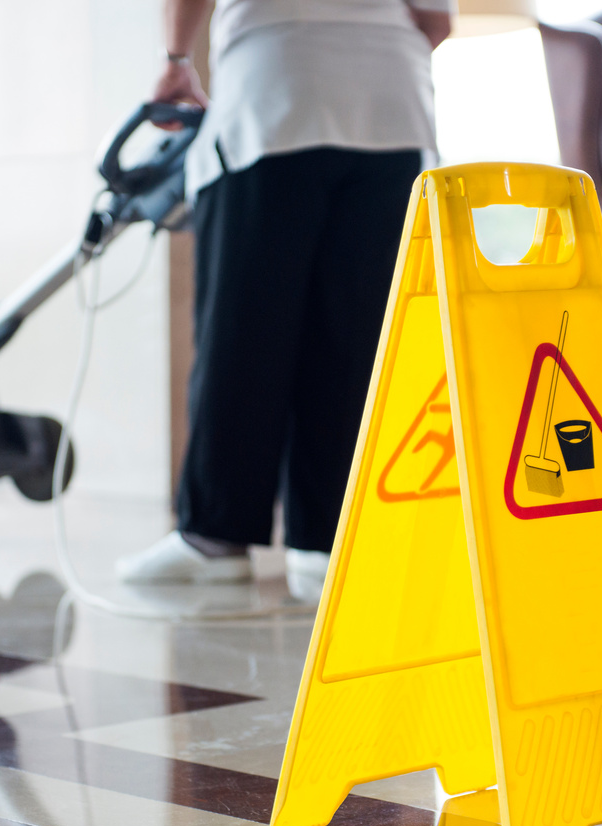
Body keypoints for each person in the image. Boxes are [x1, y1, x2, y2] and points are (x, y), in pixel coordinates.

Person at [116, 0, 452, 601]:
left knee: (244, 328)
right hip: (391, 103)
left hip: (276, 88)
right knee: (352, 337)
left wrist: (175, 59)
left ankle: (215, 539)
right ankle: (326, 542)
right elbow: (436, 19)